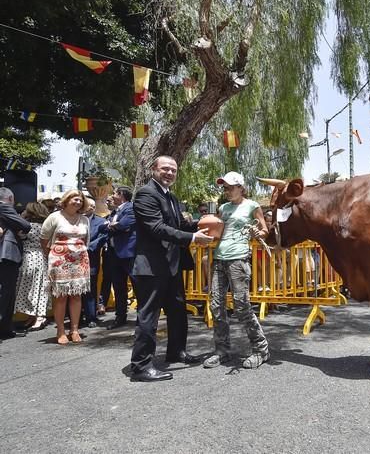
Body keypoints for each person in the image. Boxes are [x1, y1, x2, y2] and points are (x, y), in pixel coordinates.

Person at [129, 156, 214, 382]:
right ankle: (141, 366)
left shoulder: (171, 196)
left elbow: (179, 225)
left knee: (177, 312)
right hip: (151, 267)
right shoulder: (146, 194)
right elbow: (157, 228)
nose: (169, 173)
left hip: (171, 266)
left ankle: (176, 351)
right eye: (165, 169)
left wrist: (204, 222)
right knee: (148, 318)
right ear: (154, 170)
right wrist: (193, 237)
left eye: (173, 170)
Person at [203, 171, 270, 370]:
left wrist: (258, 232)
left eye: (230, 187)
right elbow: (217, 232)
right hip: (219, 259)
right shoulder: (223, 208)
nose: (227, 191)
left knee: (242, 305)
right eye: (224, 187)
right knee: (216, 305)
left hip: (238, 260)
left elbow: (264, 230)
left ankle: (260, 350)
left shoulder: (252, 206)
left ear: (241, 187)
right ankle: (222, 350)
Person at [40, 190, 91, 344]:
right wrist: (54, 256)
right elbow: (44, 240)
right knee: (60, 296)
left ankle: (74, 329)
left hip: (80, 261)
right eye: (75, 199)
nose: (78, 202)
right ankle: (60, 330)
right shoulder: (54, 217)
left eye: (80, 200)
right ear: (66, 200)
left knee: (76, 295)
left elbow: (86, 240)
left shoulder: (84, 219)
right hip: (59, 260)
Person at [101, 186, 136, 330]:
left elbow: (124, 225)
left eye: (114, 193)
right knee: (118, 286)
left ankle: (142, 320)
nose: (112, 196)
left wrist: (113, 226)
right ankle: (120, 317)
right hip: (114, 254)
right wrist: (112, 225)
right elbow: (101, 228)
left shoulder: (130, 208)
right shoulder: (115, 211)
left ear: (121, 195)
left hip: (129, 253)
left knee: (137, 286)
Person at [0, 187, 32, 339]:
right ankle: (3, 328)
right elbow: (26, 226)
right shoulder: (4, 207)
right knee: (6, 293)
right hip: (6, 256)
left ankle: (5, 328)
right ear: (11, 199)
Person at [15, 202, 51, 331]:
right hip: (42, 258)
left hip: (30, 257)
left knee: (30, 287)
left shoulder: (28, 227)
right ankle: (35, 315)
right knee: (39, 286)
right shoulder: (44, 227)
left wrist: (21, 216)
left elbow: (19, 235)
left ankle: (39, 317)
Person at [82, 198, 108, 328]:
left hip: (91, 258)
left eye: (93, 206)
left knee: (90, 289)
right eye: (88, 205)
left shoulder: (101, 221)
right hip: (73, 259)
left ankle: (91, 316)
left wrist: (88, 247)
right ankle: (75, 316)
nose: (91, 207)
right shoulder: (73, 219)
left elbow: (103, 237)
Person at [97, 194, 118, 315]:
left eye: (110, 200)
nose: (108, 202)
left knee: (119, 280)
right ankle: (102, 303)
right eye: (107, 201)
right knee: (107, 278)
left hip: (120, 253)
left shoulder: (125, 214)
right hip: (107, 253)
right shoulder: (106, 218)